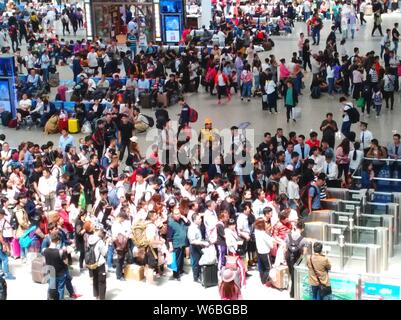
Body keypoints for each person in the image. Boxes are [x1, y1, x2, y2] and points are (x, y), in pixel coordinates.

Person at [285, 221, 308, 298]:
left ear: (296, 227)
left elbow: (284, 248)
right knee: (296, 276)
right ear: (302, 229)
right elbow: (304, 253)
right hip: (297, 259)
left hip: (288, 257)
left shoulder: (288, 236)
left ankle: (292, 291)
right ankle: (293, 293)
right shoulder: (304, 240)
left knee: (291, 274)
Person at [167, 208, 190, 281]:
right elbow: (169, 236)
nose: (177, 215)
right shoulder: (171, 223)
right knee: (176, 260)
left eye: (178, 213)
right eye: (176, 214)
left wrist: (183, 217)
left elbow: (188, 223)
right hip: (176, 244)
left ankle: (180, 270)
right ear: (173, 215)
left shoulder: (182, 220)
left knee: (181, 259)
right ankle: (176, 274)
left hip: (182, 243)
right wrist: (170, 246)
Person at [88, 223, 109, 300]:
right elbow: (104, 253)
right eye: (101, 230)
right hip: (99, 263)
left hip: (92, 262)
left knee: (95, 279)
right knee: (102, 281)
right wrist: (106, 243)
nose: (102, 232)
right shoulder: (99, 241)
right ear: (99, 230)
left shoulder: (89, 238)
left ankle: (96, 296)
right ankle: (102, 298)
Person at [187, 213, 209, 283]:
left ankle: (199, 275)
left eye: (200, 218)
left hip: (199, 246)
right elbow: (192, 241)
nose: (201, 220)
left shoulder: (197, 226)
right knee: (196, 262)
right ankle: (196, 278)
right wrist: (203, 243)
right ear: (194, 220)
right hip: (194, 247)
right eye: (199, 219)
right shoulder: (192, 228)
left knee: (200, 261)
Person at [254, 218, 274, 285]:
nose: (266, 224)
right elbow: (271, 245)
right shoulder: (263, 234)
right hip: (265, 252)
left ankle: (262, 280)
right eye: (264, 223)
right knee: (269, 268)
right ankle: (264, 281)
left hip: (259, 251)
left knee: (262, 267)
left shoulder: (256, 231)